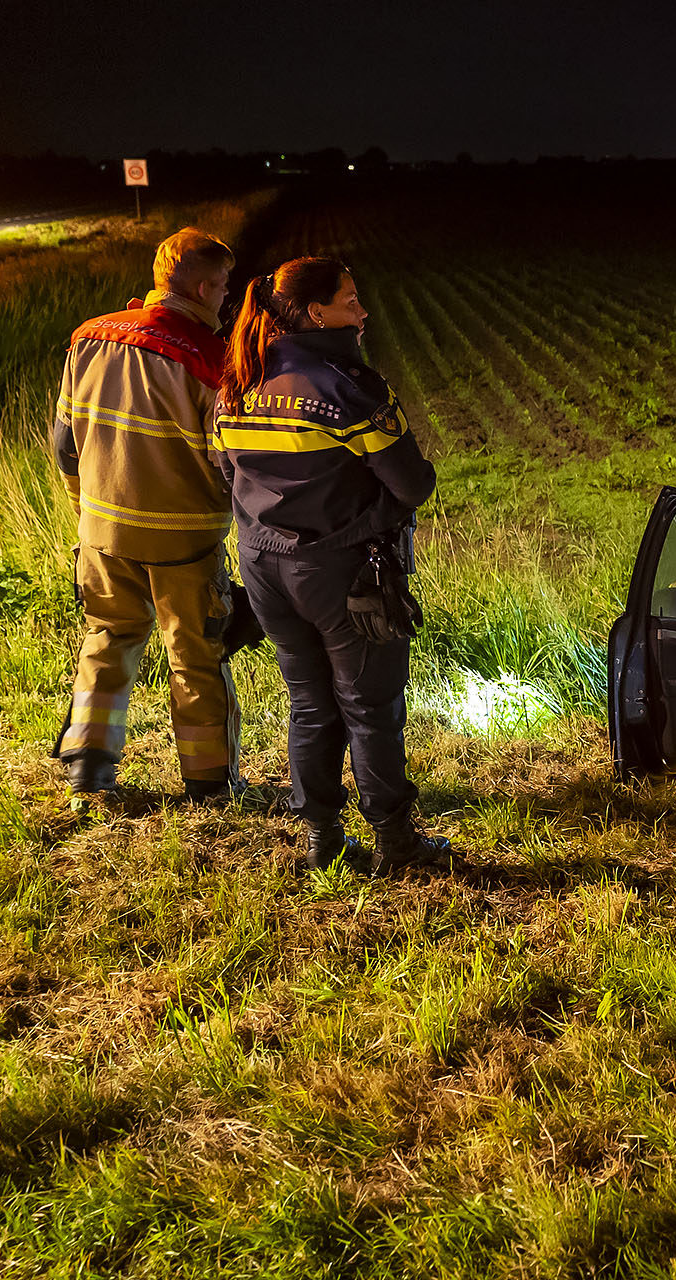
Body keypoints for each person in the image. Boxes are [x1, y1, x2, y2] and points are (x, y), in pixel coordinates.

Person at [212, 258, 451, 874]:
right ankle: (396, 842)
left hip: (264, 570)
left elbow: (227, 474)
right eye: (350, 301)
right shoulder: (350, 389)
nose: (362, 312)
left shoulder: (237, 383)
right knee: (370, 708)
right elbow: (413, 484)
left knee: (310, 703)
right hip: (346, 574)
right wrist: (372, 515)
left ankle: (322, 841)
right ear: (316, 313)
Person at [50, 226, 243, 802]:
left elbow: (64, 442)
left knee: (107, 639)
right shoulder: (214, 361)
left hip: (101, 529)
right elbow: (228, 464)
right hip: (185, 541)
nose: (226, 298)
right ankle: (210, 785)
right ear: (204, 288)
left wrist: (86, 510)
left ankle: (87, 768)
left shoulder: (89, 337)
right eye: (224, 286)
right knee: (196, 657)